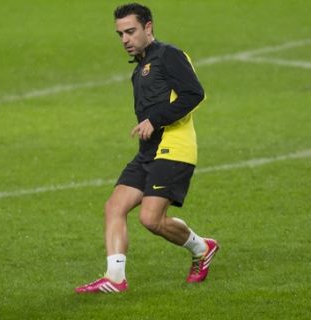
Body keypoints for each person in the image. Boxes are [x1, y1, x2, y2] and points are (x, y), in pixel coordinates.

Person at [75, 3, 219, 294]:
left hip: (174, 148)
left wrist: (155, 119)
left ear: (148, 27)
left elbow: (195, 94)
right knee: (114, 207)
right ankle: (115, 279)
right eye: (120, 34)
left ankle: (203, 248)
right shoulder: (141, 67)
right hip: (148, 151)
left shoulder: (169, 56)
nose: (125, 39)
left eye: (130, 31)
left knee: (150, 219)